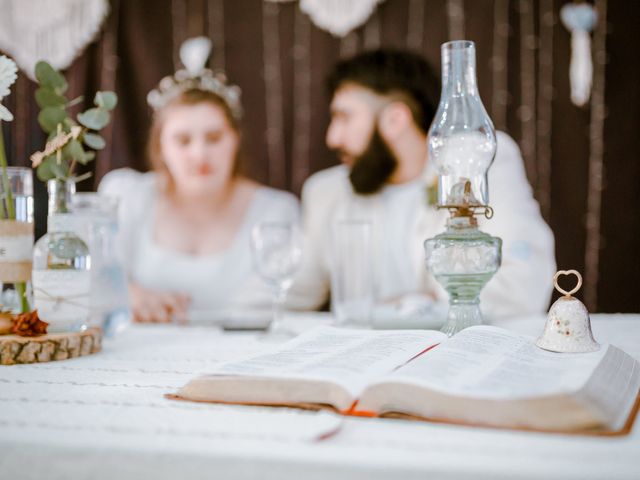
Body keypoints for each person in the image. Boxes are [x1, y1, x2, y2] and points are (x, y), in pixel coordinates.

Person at [288, 49, 556, 321]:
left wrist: (416, 304)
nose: (332, 138)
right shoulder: (326, 191)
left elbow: (523, 286)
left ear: (395, 119)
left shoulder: (478, 162)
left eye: (344, 117)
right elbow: (296, 293)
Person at [99, 38, 299, 324]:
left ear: (235, 141)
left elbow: (273, 309)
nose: (200, 154)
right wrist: (126, 294)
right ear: (161, 148)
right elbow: (83, 282)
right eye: (182, 140)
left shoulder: (276, 211)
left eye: (214, 138)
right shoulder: (126, 196)